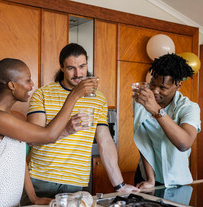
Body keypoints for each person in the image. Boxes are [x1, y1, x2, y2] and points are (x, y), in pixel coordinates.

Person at [0, 58, 97, 207]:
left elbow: (19, 159)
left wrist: (33, 197)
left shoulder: (17, 117)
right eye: (27, 80)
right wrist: (74, 95)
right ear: (12, 85)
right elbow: (49, 135)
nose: (32, 84)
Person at [25, 43, 138, 199]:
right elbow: (32, 140)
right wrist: (67, 130)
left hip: (75, 182)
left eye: (82, 66)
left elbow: (105, 141)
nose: (78, 73)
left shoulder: (98, 99)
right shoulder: (43, 94)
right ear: (62, 67)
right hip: (40, 179)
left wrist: (120, 185)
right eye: (71, 68)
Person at [132, 53, 201, 189]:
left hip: (177, 181)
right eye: (153, 83)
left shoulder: (189, 107)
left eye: (163, 88)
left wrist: (157, 110)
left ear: (178, 85)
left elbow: (184, 143)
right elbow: (144, 141)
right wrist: (150, 179)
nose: (155, 91)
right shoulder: (142, 101)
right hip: (146, 177)